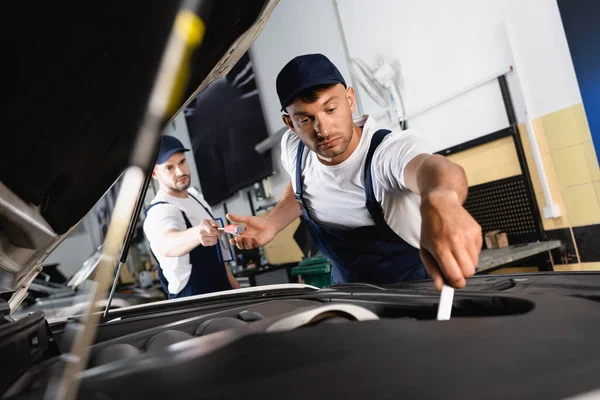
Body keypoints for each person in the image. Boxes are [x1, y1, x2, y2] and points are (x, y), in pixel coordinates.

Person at [227, 53, 482, 290]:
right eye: (305, 119)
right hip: (351, 297)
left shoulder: (385, 153)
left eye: (330, 109)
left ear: (350, 100)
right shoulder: (295, 148)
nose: (323, 130)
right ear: (290, 123)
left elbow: (433, 168)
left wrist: (442, 201)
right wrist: (271, 222)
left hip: (418, 292)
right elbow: (300, 186)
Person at [143, 135, 240, 298]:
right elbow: (165, 244)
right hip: (192, 300)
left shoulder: (195, 196)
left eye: (182, 162)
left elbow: (220, 262)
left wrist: (239, 292)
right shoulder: (160, 210)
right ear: (154, 173)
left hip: (222, 291)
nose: (180, 171)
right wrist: (198, 233)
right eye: (169, 167)